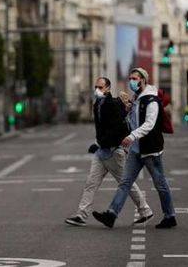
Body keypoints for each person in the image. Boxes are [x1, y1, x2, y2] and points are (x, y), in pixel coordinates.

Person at [93, 68, 177, 229]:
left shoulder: (151, 100)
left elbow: (149, 124)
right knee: (125, 182)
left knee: (160, 184)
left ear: (143, 80)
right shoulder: (137, 98)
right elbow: (134, 122)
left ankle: (170, 216)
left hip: (151, 149)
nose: (131, 81)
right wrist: (127, 110)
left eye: (135, 78)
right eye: (130, 78)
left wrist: (131, 136)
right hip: (136, 149)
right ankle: (111, 214)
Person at [65, 77, 154, 227]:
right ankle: (81, 215)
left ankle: (145, 211)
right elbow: (101, 128)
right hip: (101, 152)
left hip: (114, 152)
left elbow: (120, 128)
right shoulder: (97, 104)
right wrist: (97, 143)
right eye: (96, 87)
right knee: (91, 183)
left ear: (107, 88)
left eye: (100, 87)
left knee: (126, 184)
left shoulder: (112, 104)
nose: (97, 90)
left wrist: (108, 141)